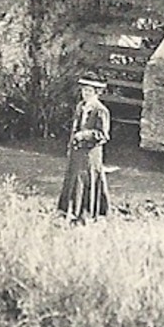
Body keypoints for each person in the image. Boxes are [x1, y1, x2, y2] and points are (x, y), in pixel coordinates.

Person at [56, 76, 111, 223]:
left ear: (97, 92)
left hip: (90, 153)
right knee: (73, 178)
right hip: (77, 151)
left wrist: (85, 135)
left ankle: (89, 212)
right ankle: (70, 210)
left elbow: (103, 135)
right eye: (84, 90)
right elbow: (74, 128)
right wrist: (71, 144)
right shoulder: (81, 106)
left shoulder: (101, 110)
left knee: (88, 179)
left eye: (89, 91)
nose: (85, 93)